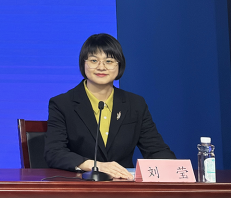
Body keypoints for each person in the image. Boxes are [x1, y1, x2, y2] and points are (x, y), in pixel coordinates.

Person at [45, 33, 174, 179]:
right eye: (94, 60)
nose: (101, 67)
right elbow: (54, 152)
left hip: (123, 185)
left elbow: (156, 149)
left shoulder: (135, 104)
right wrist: (95, 165)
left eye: (109, 61)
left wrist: (175, 171)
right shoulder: (62, 104)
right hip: (80, 185)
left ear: (119, 65)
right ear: (83, 64)